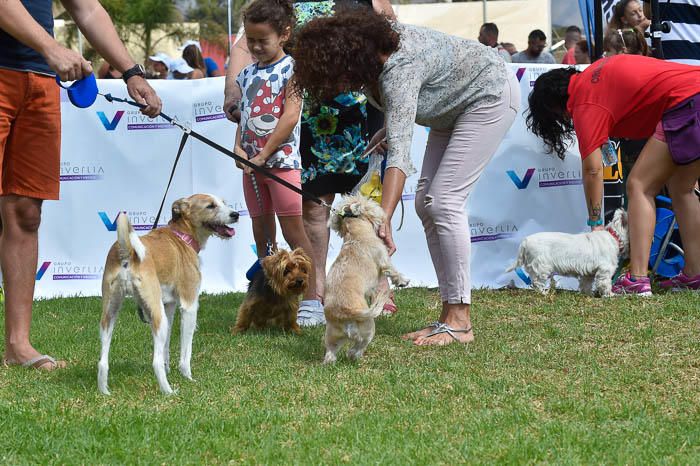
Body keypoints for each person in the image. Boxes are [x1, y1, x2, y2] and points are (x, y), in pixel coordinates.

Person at [292, 11, 520, 345]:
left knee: (443, 202)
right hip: (449, 108)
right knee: (427, 204)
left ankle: (460, 321)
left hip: (489, 94)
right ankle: (448, 315)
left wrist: (381, 218)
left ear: (347, 59)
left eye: (332, 75)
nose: (333, 86)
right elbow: (413, 101)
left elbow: (399, 155)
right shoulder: (370, 60)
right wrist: (390, 128)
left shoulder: (397, 67)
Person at [0, 0, 161, 370]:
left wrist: (131, 71)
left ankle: (18, 345)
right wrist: (51, 47)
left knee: (26, 213)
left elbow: (86, 8)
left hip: (39, 81)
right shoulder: (49, 46)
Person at [223, 0, 397, 326]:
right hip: (313, 115)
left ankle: (378, 286)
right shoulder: (273, 17)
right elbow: (244, 46)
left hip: (363, 105)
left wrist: (394, 107)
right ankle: (313, 297)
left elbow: (391, 39)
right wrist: (232, 93)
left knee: (367, 205)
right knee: (314, 208)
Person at [526, 55, 700, 296]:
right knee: (682, 188)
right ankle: (694, 275)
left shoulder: (585, 101)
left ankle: (637, 279)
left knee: (640, 185)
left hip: (686, 103)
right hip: (693, 93)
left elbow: (593, 170)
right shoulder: (596, 74)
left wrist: (596, 224)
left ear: (555, 107)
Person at [233, 0, 321, 318]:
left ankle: (312, 299)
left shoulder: (293, 70)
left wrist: (264, 154)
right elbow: (244, 118)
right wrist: (240, 150)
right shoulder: (245, 75)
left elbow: (290, 117)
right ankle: (270, 298)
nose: (255, 47)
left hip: (281, 164)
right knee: (262, 233)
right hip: (252, 168)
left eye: (262, 40)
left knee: (293, 232)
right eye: (250, 40)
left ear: (283, 34)